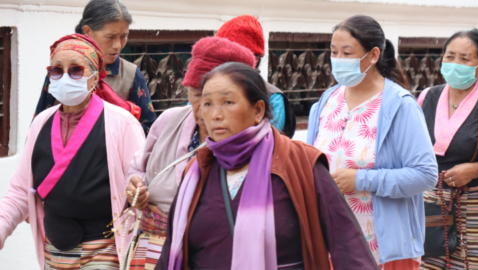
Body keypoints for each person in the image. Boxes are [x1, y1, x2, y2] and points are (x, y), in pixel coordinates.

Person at [156, 62, 378, 270]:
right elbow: (170, 254)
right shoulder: (196, 172)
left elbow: (348, 244)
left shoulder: (300, 163)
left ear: (258, 111)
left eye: (228, 102)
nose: (215, 115)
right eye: (207, 103)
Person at [0, 34, 145, 269]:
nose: (65, 77)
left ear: (94, 78)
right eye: (56, 70)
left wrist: (138, 191)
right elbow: (20, 190)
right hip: (54, 248)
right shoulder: (41, 123)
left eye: (76, 70)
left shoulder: (121, 123)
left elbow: (141, 181)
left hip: (105, 249)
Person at [307, 15, 438, 269]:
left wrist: (360, 180)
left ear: (374, 55)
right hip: (330, 243)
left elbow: (425, 174)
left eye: (347, 52)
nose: (338, 60)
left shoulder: (400, 105)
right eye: (334, 52)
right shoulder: (326, 101)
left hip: (383, 250)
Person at [124, 37, 259, 269]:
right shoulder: (168, 121)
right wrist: (136, 187)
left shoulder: (256, 146)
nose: (204, 108)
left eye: (223, 100)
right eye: (196, 94)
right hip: (153, 250)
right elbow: (139, 168)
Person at [35, 0, 156, 134]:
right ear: (87, 31)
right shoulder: (61, 72)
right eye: (110, 37)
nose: (118, 45)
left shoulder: (131, 75)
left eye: (124, 36)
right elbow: (39, 125)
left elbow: (149, 129)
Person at [418, 29, 478, 270]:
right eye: (450, 56)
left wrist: (475, 170)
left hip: (473, 207)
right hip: (430, 205)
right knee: (429, 264)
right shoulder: (426, 98)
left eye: (465, 59)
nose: (456, 64)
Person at [216, 15, 297, 138]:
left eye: (229, 57)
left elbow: (269, 144)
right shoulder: (205, 90)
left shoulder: (272, 98)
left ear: (255, 59)